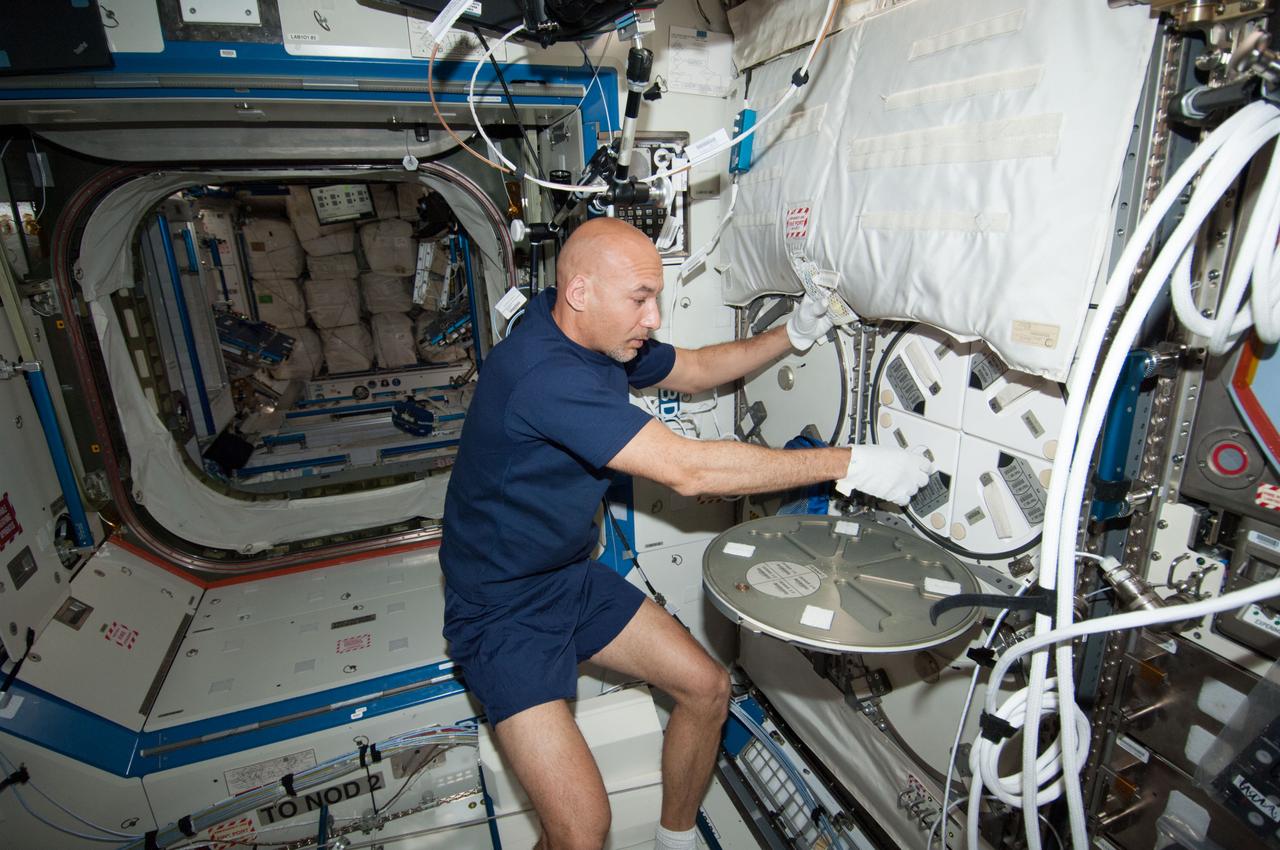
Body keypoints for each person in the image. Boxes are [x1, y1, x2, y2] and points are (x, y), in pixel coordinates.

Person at [440, 218, 932, 850]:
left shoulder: (580, 328)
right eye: (641, 299)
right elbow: (691, 471)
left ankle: (677, 840)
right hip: (501, 607)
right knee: (581, 831)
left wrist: (795, 333)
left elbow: (697, 369)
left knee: (707, 688)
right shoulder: (543, 375)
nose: (653, 318)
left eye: (657, 298)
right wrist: (851, 463)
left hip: (568, 577)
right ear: (582, 292)